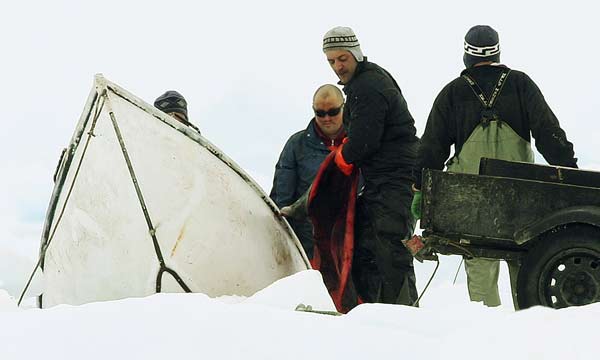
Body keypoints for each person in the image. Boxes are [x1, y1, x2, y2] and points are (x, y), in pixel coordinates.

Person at [412, 25, 578, 307]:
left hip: (472, 201)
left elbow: (431, 149)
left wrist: (419, 188)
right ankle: (530, 327)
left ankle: (485, 333)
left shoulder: (452, 93)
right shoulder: (520, 84)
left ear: (466, 56)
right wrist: (569, 171)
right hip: (521, 198)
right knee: (526, 264)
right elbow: (549, 134)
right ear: (498, 51)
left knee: (478, 263)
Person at [323, 26, 420, 305]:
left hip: (394, 179)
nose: (337, 66)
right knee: (365, 246)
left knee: (390, 247)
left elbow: (365, 140)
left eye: (342, 58)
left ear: (355, 53)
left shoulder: (367, 85)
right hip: (383, 180)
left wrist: (342, 156)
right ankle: (373, 310)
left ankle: (403, 315)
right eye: (331, 61)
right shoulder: (367, 80)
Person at [270, 84, 346, 259]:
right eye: (320, 113)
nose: (327, 118)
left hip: (351, 242)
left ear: (344, 107)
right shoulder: (296, 145)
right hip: (308, 244)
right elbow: (282, 197)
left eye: (333, 112)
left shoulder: (360, 143)